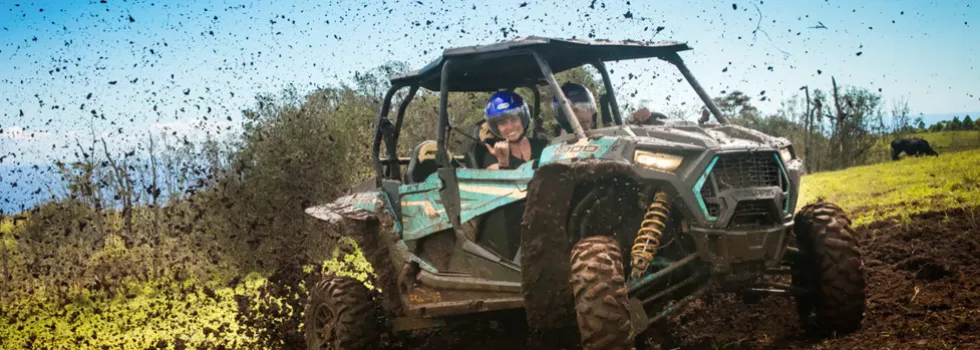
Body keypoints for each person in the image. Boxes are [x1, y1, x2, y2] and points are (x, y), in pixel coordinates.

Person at [481, 90, 549, 170]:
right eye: (502, 123)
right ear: (496, 127)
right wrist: (503, 163)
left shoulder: (543, 147)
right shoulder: (494, 153)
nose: (510, 127)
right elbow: (495, 179)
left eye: (513, 119)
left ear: (522, 119)